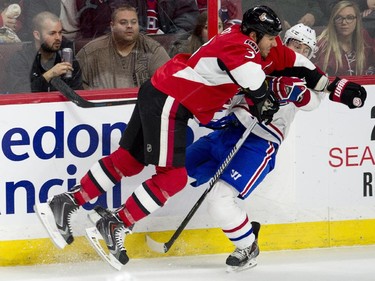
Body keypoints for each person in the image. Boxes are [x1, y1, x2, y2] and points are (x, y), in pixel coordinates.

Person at [34, 6, 341, 269]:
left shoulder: (250, 44)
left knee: (128, 160)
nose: (274, 43)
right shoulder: (241, 48)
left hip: (161, 92)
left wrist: (332, 85)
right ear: (254, 35)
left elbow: (296, 63)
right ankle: (117, 222)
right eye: (271, 37)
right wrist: (265, 97)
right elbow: (255, 82)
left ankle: (66, 202)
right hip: (173, 101)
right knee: (173, 178)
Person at [185, 19, 367, 272]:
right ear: (281, 42)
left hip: (260, 143)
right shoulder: (257, 60)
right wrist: (271, 86)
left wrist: (294, 91)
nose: (299, 52)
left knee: (218, 201)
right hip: (229, 130)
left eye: (305, 49)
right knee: (175, 166)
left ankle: (247, 244)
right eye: (295, 45)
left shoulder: (303, 78)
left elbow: (313, 102)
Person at [76, 5, 170, 90]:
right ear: (112, 26)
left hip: (143, 106)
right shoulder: (92, 51)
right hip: (102, 107)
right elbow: (75, 86)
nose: (129, 26)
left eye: (134, 22)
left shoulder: (153, 50)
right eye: (123, 22)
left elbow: (169, 85)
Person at [4, 11, 83, 94]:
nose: (58, 38)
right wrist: (50, 74)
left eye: (60, 33)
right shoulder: (21, 59)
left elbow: (78, 92)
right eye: (52, 33)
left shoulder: (66, 57)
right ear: (37, 35)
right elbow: (20, 93)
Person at [76, 0, 200, 39]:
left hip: (172, 50)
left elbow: (188, 19)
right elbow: (121, 19)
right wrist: (147, 40)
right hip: (134, 49)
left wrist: (169, 40)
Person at [313, 0, 375, 76]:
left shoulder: (365, 38)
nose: (344, 22)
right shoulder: (322, 45)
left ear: (357, 20)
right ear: (333, 21)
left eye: (350, 18)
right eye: (339, 18)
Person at [242, 0, 325, 28]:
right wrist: (274, 21)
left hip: (302, 35)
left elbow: (317, 6)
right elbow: (250, 8)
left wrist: (313, 15)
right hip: (270, 34)